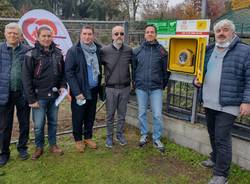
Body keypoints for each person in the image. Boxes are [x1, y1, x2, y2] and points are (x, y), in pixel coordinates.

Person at [194, 19, 250, 184]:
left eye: (225, 30)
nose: (221, 33)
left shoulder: (244, 51)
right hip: (209, 100)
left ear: (232, 32)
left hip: (229, 103)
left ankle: (221, 174)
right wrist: (196, 81)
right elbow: (200, 71)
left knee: (221, 137)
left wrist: (247, 101)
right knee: (212, 133)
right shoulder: (209, 49)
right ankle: (215, 158)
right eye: (218, 31)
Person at [22, 26, 66, 160]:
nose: (47, 39)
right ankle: (39, 147)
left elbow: (62, 73)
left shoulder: (58, 53)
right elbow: (26, 78)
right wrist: (31, 99)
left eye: (49, 36)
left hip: (54, 96)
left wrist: (63, 86)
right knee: (39, 125)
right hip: (38, 97)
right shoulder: (31, 54)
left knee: (53, 122)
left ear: (52, 37)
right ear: (37, 37)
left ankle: (53, 145)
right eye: (44, 36)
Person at [133, 24, 170, 153]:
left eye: (152, 32)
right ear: (144, 34)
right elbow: (134, 69)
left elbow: (166, 72)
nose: (150, 34)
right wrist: (135, 83)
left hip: (156, 88)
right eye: (147, 32)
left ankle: (157, 138)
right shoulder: (137, 51)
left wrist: (161, 85)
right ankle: (144, 134)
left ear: (155, 34)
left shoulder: (162, 52)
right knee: (142, 112)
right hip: (141, 87)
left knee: (157, 114)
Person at [65, 25, 102, 152]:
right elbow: (69, 73)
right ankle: (78, 140)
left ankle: (88, 137)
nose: (87, 36)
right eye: (84, 34)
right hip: (80, 91)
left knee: (90, 115)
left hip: (93, 89)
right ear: (80, 35)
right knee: (78, 116)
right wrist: (77, 92)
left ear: (93, 35)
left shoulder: (97, 50)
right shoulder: (74, 51)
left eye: (89, 34)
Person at [0, 23, 30, 166]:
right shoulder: (0, 49)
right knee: (5, 125)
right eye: (10, 33)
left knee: (24, 123)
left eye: (15, 33)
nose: (12, 35)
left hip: (22, 93)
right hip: (4, 94)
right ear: (5, 34)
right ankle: (4, 152)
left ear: (20, 36)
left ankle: (22, 148)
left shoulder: (27, 50)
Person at [100, 25, 133, 148]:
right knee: (110, 115)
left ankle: (119, 135)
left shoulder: (129, 50)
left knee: (122, 114)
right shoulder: (104, 51)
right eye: (116, 34)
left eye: (121, 34)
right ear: (112, 36)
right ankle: (109, 136)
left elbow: (134, 67)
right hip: (110, 88)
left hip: (125, 88)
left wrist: (133, 83)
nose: (119, 36)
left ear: (124, 35)